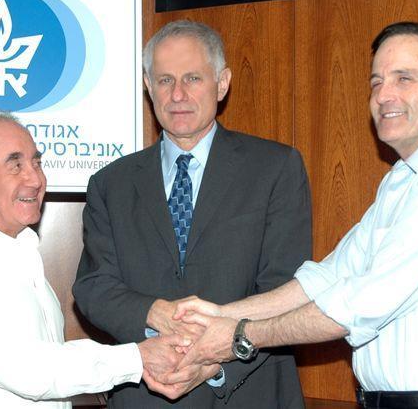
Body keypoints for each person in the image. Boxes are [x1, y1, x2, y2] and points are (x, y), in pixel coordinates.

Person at [168, 22, 418, 409]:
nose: (385, 95)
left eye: (404, 78)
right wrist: (222, 314)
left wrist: (242, 335)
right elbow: (328, 278)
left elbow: (358, 305)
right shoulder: (403, 179)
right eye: (377, 81)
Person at [73, 20, 312, 407]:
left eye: (193, 78)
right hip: (145, 393)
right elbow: (94, 287)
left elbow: (286, 289)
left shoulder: (274, 168)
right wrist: (153, 313)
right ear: (148, 87)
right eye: (165, 80)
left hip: (246, 389)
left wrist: (211, 365)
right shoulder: (110, 183)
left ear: (222, 83)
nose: (178, 94)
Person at [0, 110, 187, 409]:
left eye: (36, 163)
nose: (35, 178)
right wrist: (137, 358)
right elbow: (29, 370)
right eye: (15, 165)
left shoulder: (19, 251)